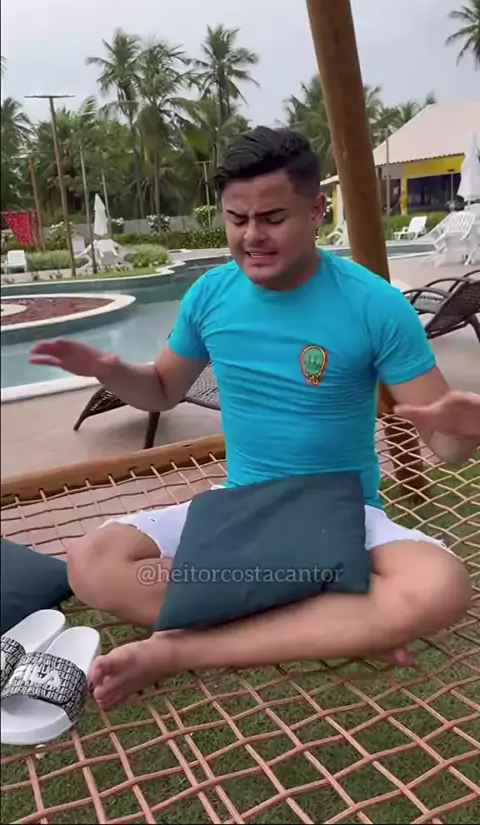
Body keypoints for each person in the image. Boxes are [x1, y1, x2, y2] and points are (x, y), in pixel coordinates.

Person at [30, 127, 476, 711]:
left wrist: (466, 425)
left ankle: (182, 649)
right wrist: (112, 370)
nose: (251, 237)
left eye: (272, 218)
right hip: (239, 508)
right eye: (236, 219)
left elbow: (449, 450)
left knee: (440, 586)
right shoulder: (211, 294)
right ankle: (333, 620)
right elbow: (162, 390)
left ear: (316, 210)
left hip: (342, 515)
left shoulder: (375, 304)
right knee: (94, 564)